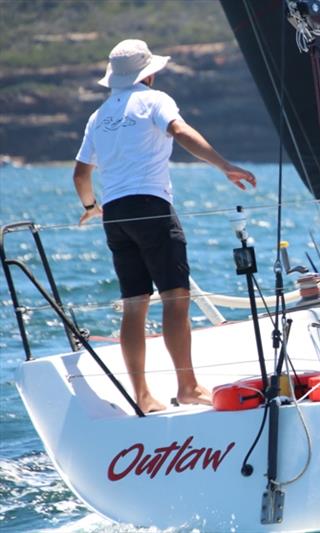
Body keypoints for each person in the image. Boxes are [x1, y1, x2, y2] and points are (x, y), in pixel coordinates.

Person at [72, 39, 257, 413]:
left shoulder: (99, 116)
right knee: (176, 298)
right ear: (149, 73)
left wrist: (93, 207)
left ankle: (142, 395)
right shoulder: (156, 100)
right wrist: (225, 166)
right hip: (152, 207)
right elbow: (181, 132)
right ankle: (187, 386)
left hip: (117, 215)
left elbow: (80, 174)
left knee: (134, 306)